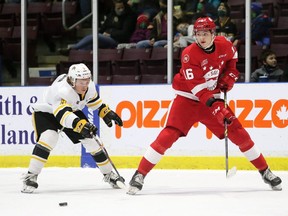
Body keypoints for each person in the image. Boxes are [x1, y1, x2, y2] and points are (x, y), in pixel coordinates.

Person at [127, 17, 282, 195]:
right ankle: (140, 174)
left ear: (213, 34)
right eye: (198, 34)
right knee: (168, 135)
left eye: (205, 34)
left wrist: (230, 74)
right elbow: (200, 91)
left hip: (212, 98)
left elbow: (232, 59)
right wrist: (218, 108)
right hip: (187, 99)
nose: (201, 38)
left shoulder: (224, 44)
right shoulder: (189, 54)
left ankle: (265, 171)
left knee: (238, 133)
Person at [21, 63, 125, 193]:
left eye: (87, 80)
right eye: (81, 82)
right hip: (47, 113)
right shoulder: (63, 91)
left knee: (92, 140)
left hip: (71, 111)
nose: (85, 84)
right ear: (72, 81)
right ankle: (31, 176)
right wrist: (80, 125)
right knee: (49, 137)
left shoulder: (88, 87)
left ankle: (109, 174)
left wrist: (106, 112)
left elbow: (93, 101)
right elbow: (62, 116)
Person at [58, 0, 137, 55]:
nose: (120, 10)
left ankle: (73, 49)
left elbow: (125, 33)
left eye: (122, 8)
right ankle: (75, 57)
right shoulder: (111, 15)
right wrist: (103, 33)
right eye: (118, 8)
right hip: (105, 37)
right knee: (89, 46)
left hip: (117, 40)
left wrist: (110, 34)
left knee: (95, 36)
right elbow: (103, 28)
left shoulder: (130, 17)